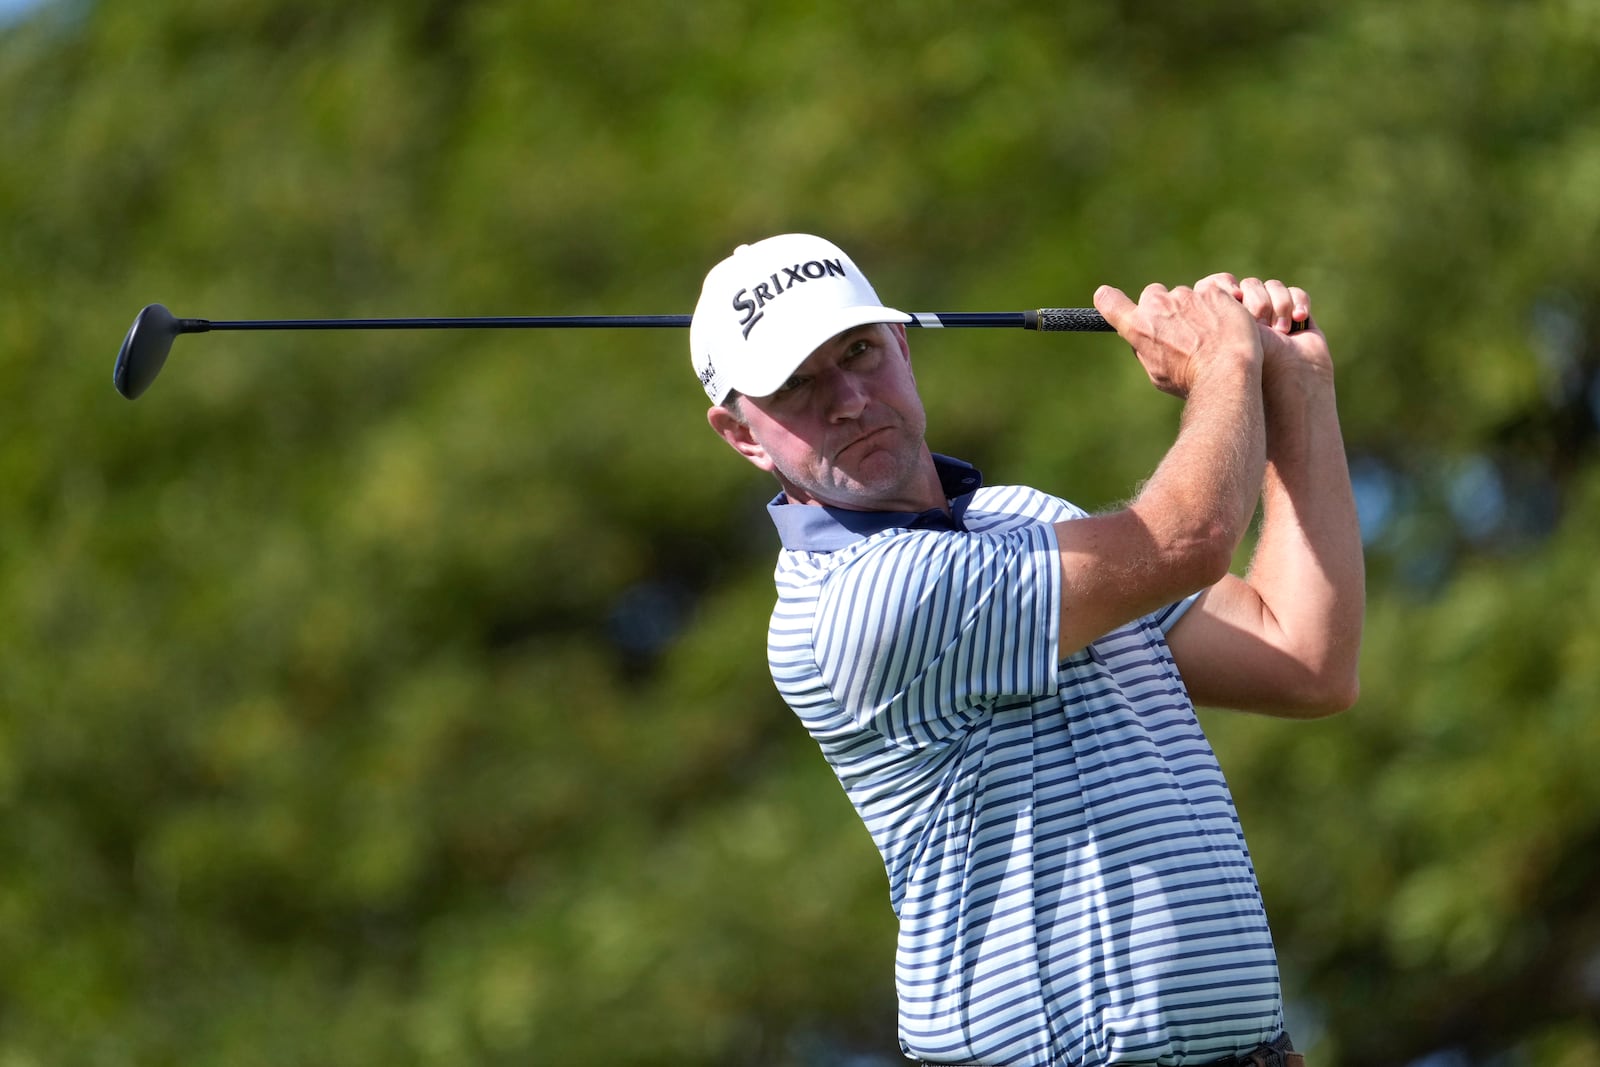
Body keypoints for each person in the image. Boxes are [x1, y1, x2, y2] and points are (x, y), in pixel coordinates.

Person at [689, 233, 1364, 1067]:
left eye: (859, 351)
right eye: (795, 386)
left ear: (901, 344)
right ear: (742, 436)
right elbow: (1188, 537)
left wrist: (1293, 382)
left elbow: (1301, 657)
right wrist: (1225, 363)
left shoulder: (1027, 517)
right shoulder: (853, 604)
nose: (848, 399)